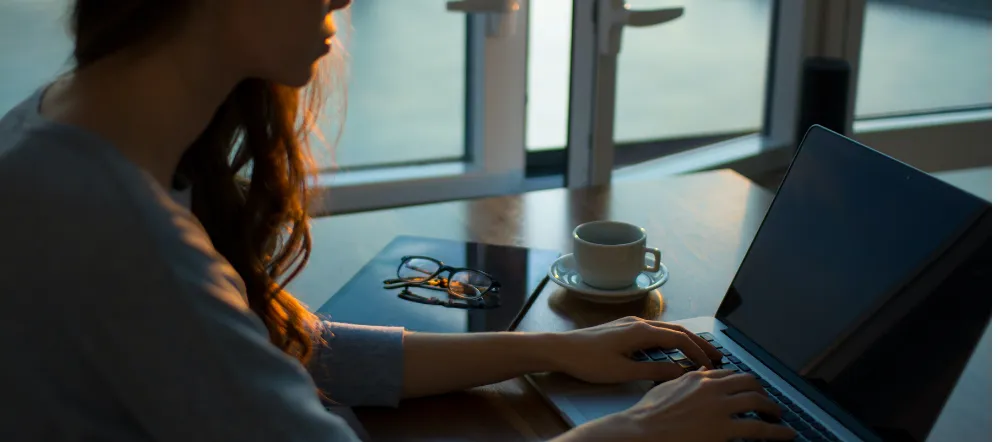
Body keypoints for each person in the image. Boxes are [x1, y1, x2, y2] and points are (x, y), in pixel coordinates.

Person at [0, 1, 795, 441]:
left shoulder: (56, 130)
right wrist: (633, 435)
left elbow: (285, 348)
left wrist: (551, 348)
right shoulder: (123, 237)